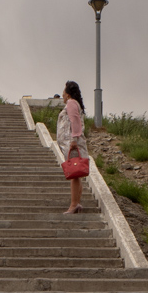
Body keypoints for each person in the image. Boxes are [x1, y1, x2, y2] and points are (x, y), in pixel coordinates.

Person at [57, 81, 88, 214]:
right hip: (72, 143)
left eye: (64, 93)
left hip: (73, 144)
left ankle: (73, 204)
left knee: (74, 174)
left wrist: (74, 139)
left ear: (68, 95)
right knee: (76, 174)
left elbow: (75, 120)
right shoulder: (74, 103)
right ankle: (76, 203)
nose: (62, 95)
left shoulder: (71, 103)